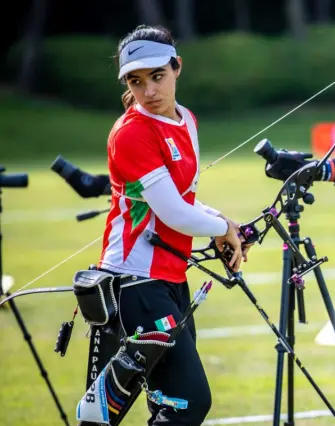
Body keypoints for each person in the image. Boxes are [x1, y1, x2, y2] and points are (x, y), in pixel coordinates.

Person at [97, 24, 251, 425]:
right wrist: (223, 230)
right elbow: (173, 214)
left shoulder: (187, 120)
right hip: (135, 283)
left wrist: (222, 220)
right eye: (136, 81)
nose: (149, 91)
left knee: (170, 402)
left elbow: (183, 199)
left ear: (177, 67)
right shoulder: (131, 133)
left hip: (170, 277)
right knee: (188, 402)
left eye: (157, 76)